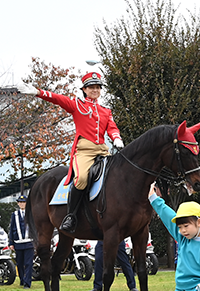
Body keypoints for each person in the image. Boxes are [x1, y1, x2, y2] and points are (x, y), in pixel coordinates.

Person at [17, 72, 124, 233]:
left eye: (98, 87)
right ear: (85, 89)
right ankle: (71, 216)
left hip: (102, 149)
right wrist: (38, 92)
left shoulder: (105, 111)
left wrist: (116, 138)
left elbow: (112, 127)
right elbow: (57, 98)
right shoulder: (77, 105)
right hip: (84, 151)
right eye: (91, 87)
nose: (95, 90)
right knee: (81, 179)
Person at [8, 194, 34, 289]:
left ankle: (27, 283)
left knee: (28, 263)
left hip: (29, 242)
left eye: (24, 202)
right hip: (18, 242)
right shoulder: (14, 214)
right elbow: (11, 229)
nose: (22, 204)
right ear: (18, 204)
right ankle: (22, 280)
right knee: (19, 263)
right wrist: (11, 243)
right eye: (20, 202)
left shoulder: (31, 214)